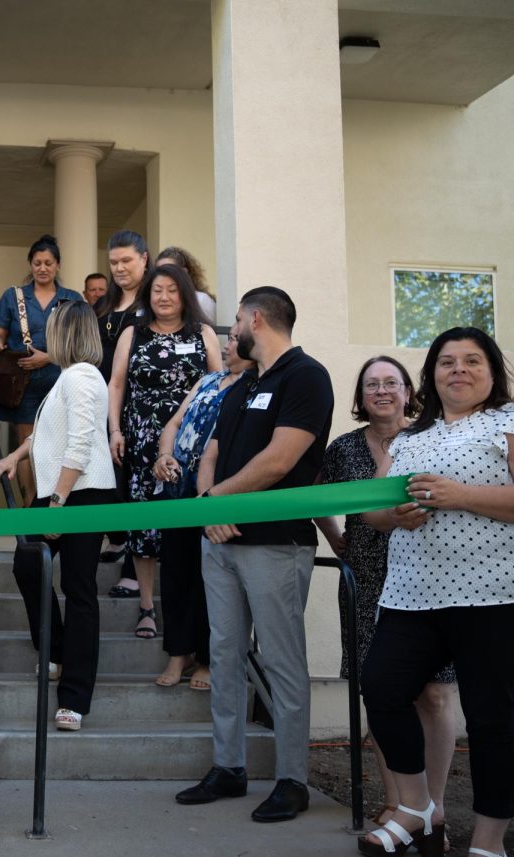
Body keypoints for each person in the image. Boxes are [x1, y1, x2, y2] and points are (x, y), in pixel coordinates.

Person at [176, 286, 333, 824]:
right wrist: (207, 504)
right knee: (223, 654)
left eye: (237, 320)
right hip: (219, 541)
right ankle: (229, 766)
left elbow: (280, 460)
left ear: (256, 318)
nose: (231, 330)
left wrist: (218, 499)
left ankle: (292, 779)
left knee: (282, 660)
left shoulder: (306, 377)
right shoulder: (244, 383)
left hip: (275, 543)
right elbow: (212, 452)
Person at [357, 328, 514, 857]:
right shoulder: (407, 438)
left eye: (473, 361)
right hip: (412, 594)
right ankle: (420, 807)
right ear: (432, 374)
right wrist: (396, 514)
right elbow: (373, 513)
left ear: (492, 372)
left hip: (492, 594)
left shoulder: (507, 421)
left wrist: (462, 495)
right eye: (447, 362)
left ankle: (488, 841)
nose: (459, 370)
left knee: (493, 720)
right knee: (380, 687)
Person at [315, 356, 458, 838]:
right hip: (368, 576)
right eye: (372, 384)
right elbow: (318, 497)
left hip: (429, 577)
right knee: (380, 690)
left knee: (434, 694)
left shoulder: (433, 436)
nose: (381, 391)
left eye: (390, 383)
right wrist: (336, 537)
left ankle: (433, 804)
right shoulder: (344, 448)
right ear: (361, 395)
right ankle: (399, 800)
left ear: (407, 391)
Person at [0, 301, 117, 731]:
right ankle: (57, 650)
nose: (47, 336)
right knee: (26, 565)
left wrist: (58, 504)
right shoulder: (68, 378)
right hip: (58, 491)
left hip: (79, 495)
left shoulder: (83, 376)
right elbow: (52, 432)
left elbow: (81, 442)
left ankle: (75, 698)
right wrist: (16, 453)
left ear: (68, 333)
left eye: (52, 328)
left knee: (79, 590)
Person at [109, 263, 221, 639]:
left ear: (184, 293)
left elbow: (221, 385)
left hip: (191, 447)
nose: (164, 297)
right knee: (143, 526)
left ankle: (188, 615)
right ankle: (146, 607)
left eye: (172, 290)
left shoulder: (203, 333)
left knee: (184, 527)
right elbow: (117, 385)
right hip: (141, 442)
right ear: (147, 295)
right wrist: (114, 430)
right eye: (157, 290)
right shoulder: (133, 333)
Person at [152, 332, 253, 689]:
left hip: (215, 494)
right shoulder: (208, 379)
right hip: (177, 492)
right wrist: (164, 455)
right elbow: (175, 423)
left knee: (206, 580)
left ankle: (208, 658)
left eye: (234, 339)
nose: (226, 345)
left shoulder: (254, 385)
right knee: (176, 575)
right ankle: (179, 652)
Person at [0, 235, 83, 502]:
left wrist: (48, 357)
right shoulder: (13, 296)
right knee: (27, 442)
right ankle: (31, 504)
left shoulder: (71, 298)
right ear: (30, 264)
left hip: (60, 379)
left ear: (58, 265)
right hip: (22, 383)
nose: (42, 268)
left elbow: (79, 343)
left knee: (60, 440)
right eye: (37, 263)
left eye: (48, 263)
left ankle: (55, 499)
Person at [94, 230, 150, 597]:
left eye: (126, 260)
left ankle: (133, 566)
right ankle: (117, 537)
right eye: (113, 262)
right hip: (101, 404)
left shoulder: (155, 301)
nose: (119, 268)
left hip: (142, 407)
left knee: (135, 486)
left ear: (144, 258)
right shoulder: (103, 305)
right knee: (108, 479)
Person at [156, 246, 215, 325]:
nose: (163, 275)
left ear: (184, 272)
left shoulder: (202, 300)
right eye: (159, 271)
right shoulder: (152, 300)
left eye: (170, 270)